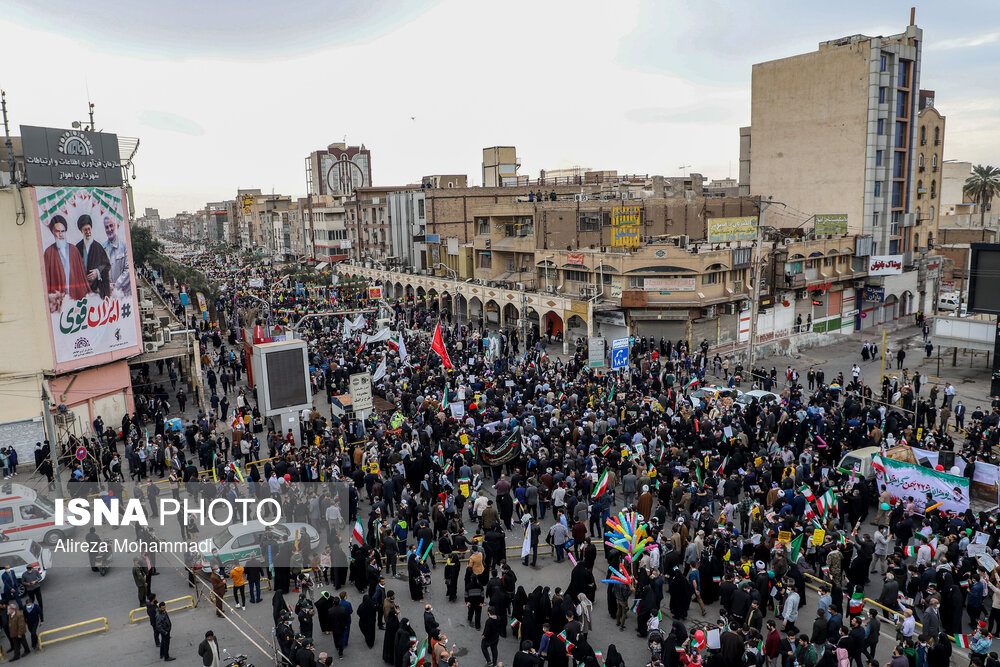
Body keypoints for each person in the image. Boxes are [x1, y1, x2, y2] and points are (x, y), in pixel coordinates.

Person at [42, 214, 88, 312]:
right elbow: (46, 280)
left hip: (75, 298)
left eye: (63, 231)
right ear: (53, 232)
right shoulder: (48, 253)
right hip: (59, 303)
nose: (61, 234)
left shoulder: (74, 250)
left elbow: (82, 277)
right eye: (57, 231)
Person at [75, 214, 112, 299]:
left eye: (89, 229)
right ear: (81, 231)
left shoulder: (98, 247)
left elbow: (106, 265)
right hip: (83, 291)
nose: (87, 232)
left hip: (97, 291)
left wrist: (97, 272)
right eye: (85, 230)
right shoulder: (77, 248)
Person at [102, 215, 131, 297]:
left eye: (111, 226)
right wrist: (107, 285)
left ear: (116, 226)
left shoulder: (124, 246)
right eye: (106, 227)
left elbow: (128, 270)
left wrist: (115, 286)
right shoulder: (102, 248)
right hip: (108, 295)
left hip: (123, 294)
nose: (109, 229)